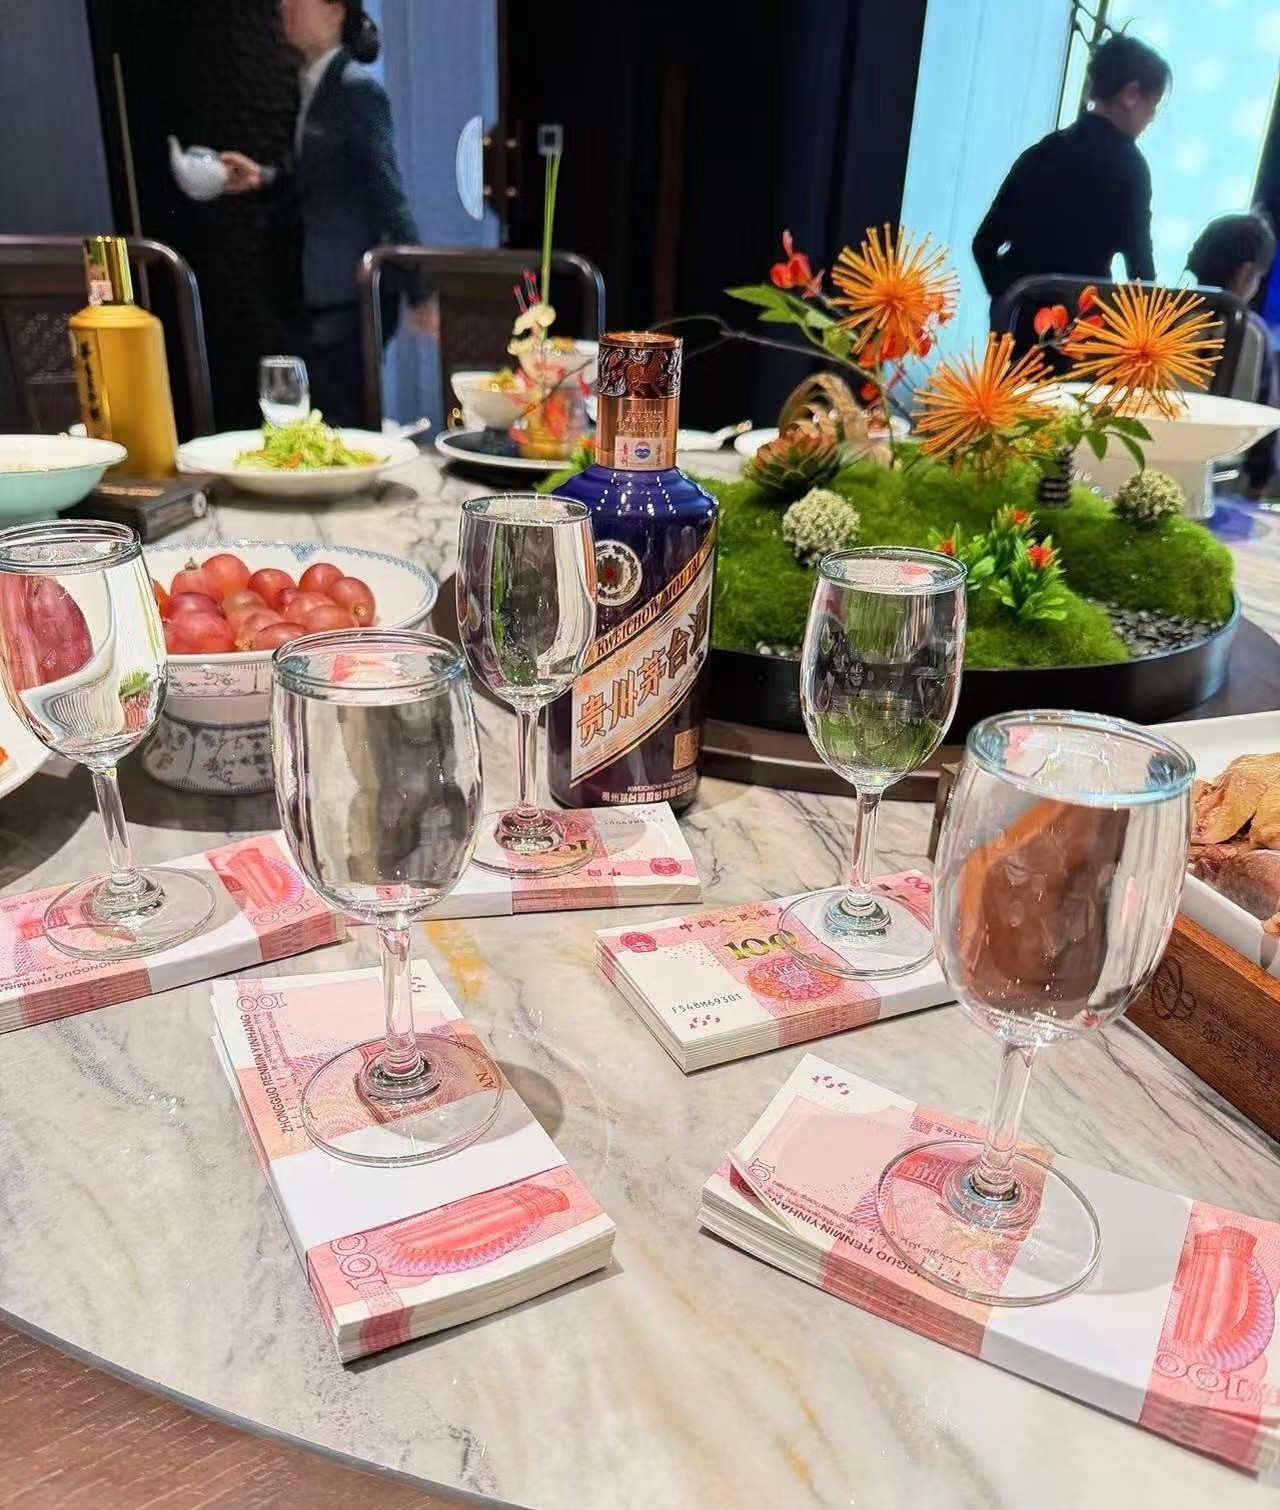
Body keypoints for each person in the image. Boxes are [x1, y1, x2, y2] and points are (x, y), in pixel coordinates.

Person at [218, 0, 434, 425]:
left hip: (346, 293)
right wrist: (262, 177)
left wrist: (419, 290)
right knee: (321, 416)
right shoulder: (308, 85)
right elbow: (317, 180)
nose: (285, 7)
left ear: (335, 12)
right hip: (310, 286)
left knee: (345, 418)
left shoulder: (356, 90)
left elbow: (387, 192)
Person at [973, 34, 1170, 315]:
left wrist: (1009, 301)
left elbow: (983, 244)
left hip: (1018, 325)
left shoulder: (1043, 151)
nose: (1152, 117)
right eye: (1153, 105)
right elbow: (1141, 274)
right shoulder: (1131, 168)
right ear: (1130, 95)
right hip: (1081, 326)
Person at [1187, 210, 1279, 493]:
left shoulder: (1162, 313)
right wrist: (1261, 479)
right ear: (1246, 274)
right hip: (1219, 475)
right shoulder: (1253, 332)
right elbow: (1267, 415)